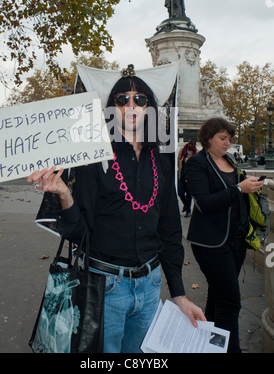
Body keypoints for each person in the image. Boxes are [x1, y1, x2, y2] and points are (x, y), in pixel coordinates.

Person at [27, 64, 205, 353]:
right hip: (106, 288)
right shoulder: (94, 159)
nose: (131, 105)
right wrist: (63, 193)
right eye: (122, 99)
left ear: (150, 109)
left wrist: (180, 295)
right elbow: (78, 232)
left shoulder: (160, 160)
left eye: (140, 99)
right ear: (111, 109)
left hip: (150, 286)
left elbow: (170, 231)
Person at [185, 117, 264, 353]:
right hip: (211, 243)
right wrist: (239, 188)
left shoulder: (230, 160)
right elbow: (205, 203)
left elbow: (235, 193)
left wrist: (246, 183)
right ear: (208, 138)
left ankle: (209, 346)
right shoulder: (197, 164)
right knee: (230, 302)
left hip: (237, 240)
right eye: (222, 138)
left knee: (218, 297)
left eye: (229, 138)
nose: (227, 142)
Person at [177, 139, 197, 217]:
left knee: (189, 195)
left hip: (190, 176)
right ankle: (186, 204)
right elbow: (178, 160)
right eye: (189, 144)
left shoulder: (196, 152)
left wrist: (188, 160)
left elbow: (196, 164)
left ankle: (188, 211)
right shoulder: (182, 150)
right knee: (180, 192)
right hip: (182, 174)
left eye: (192, 145)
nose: (190, 146)